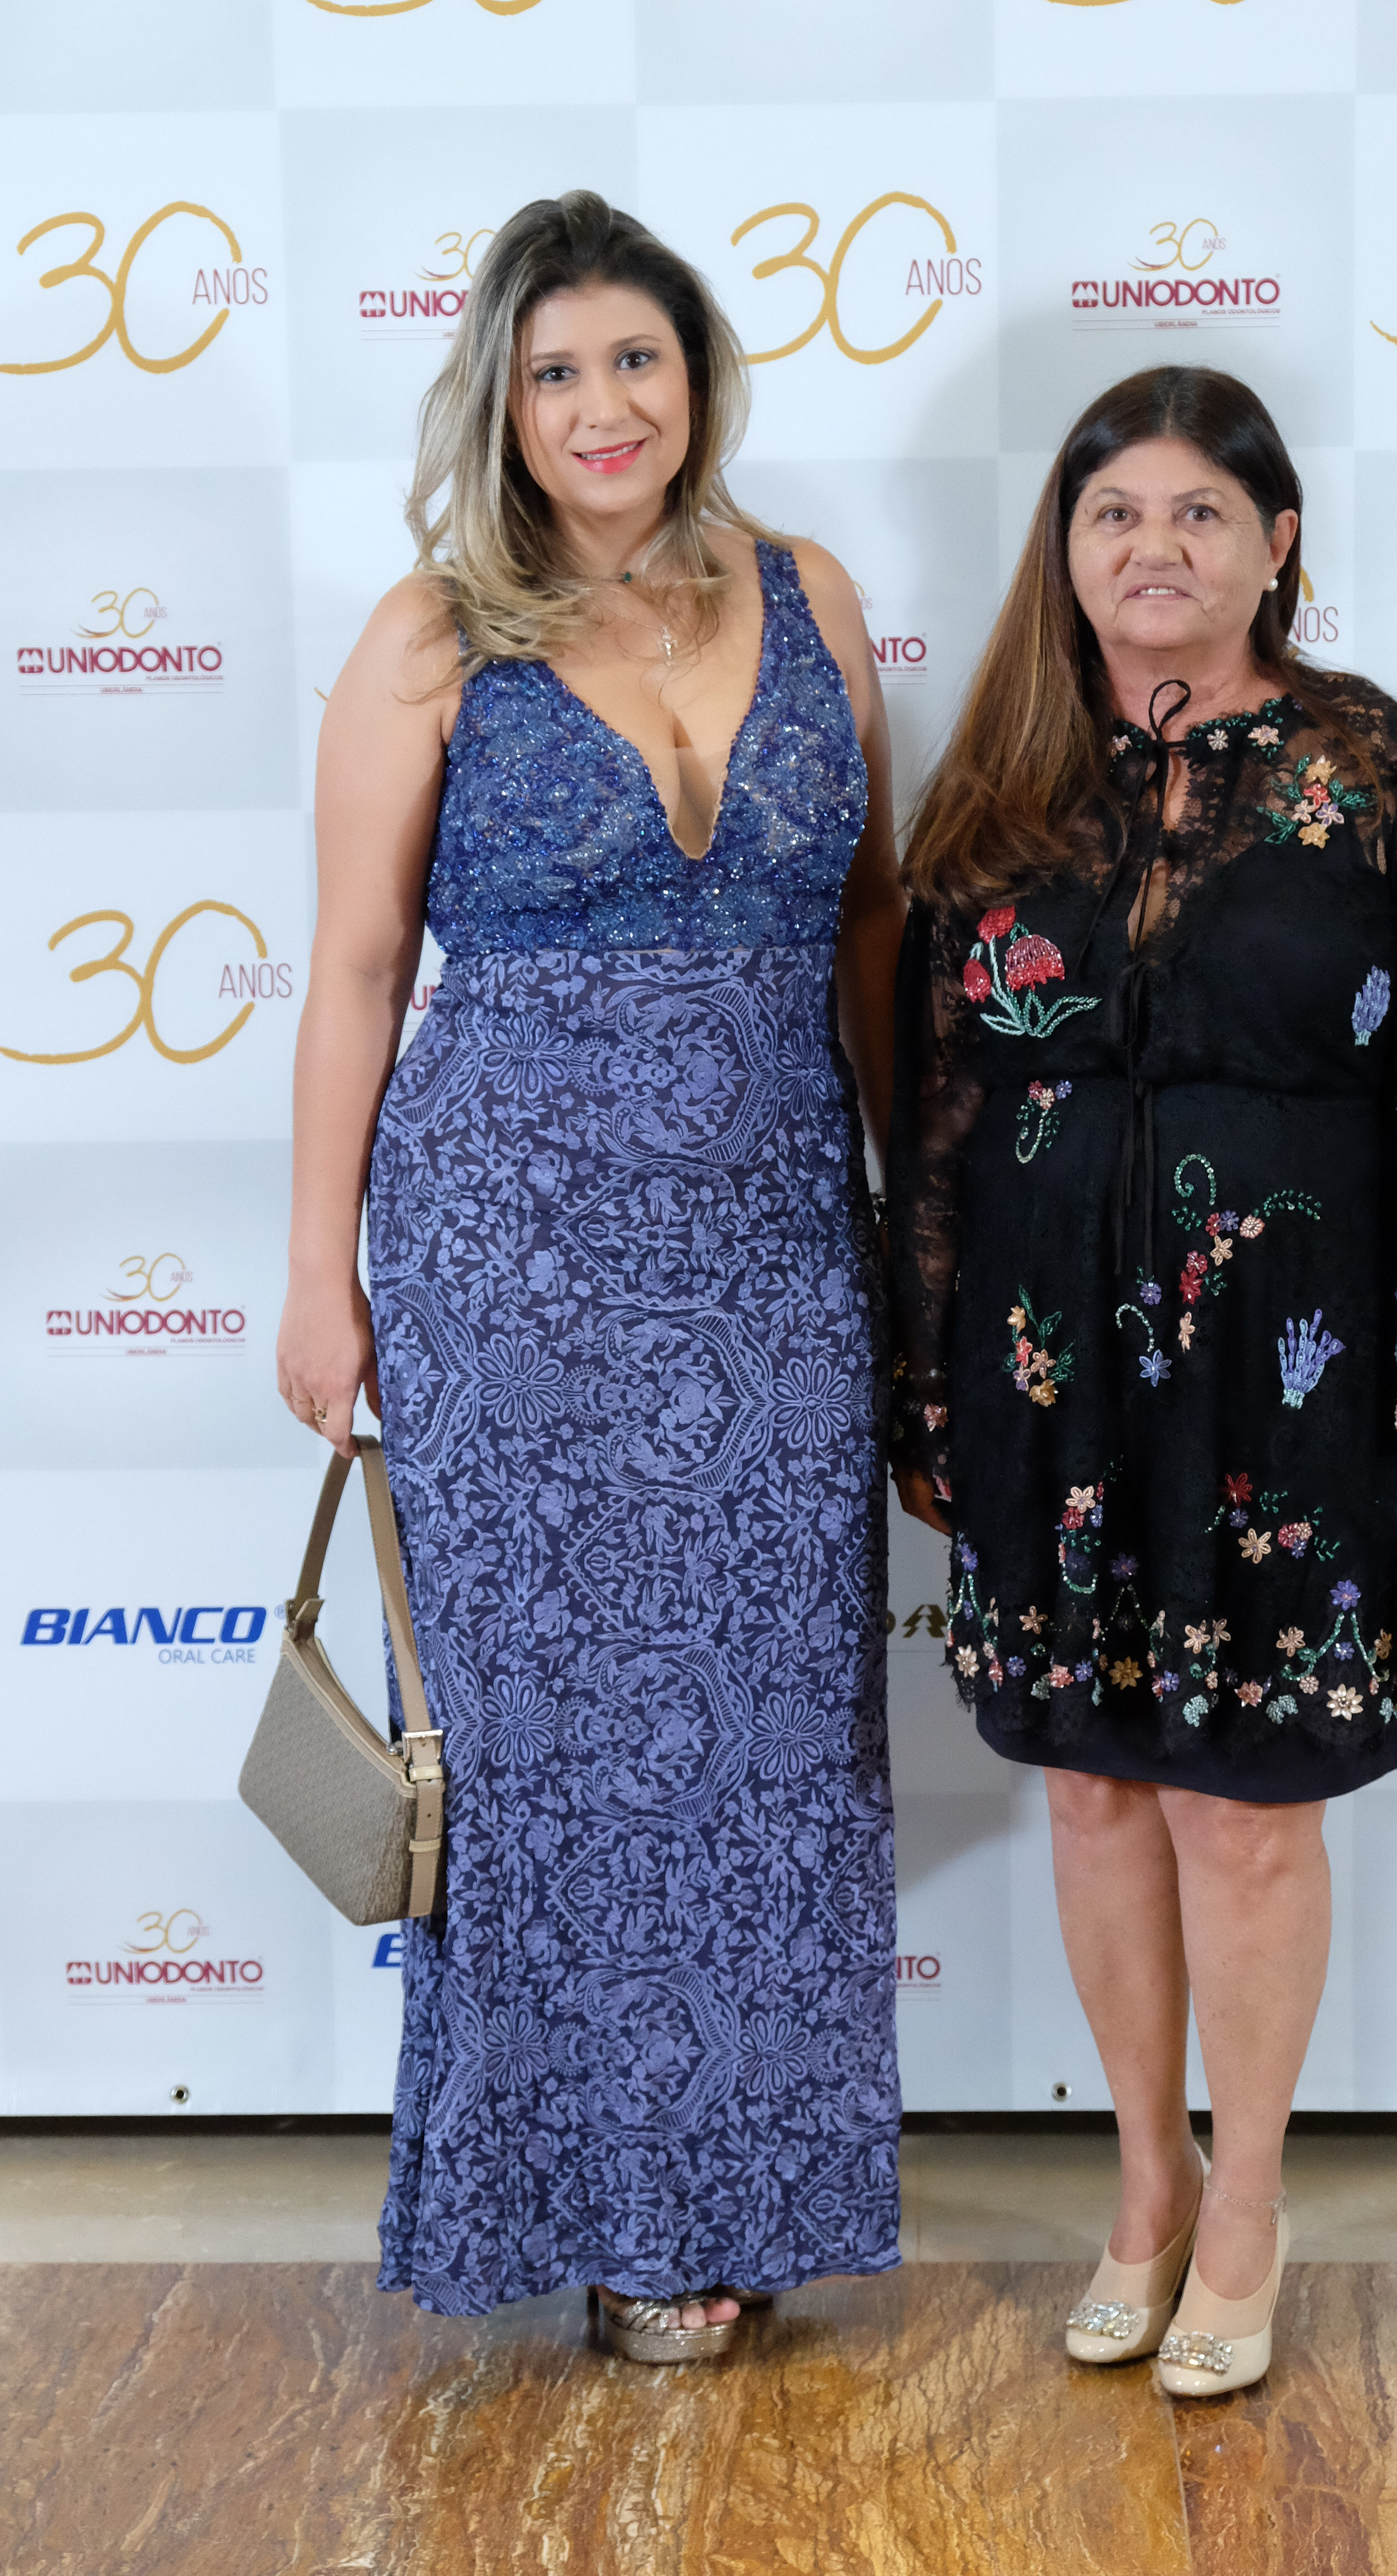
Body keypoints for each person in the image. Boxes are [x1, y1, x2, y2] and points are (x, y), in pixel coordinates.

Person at [887, 366, 1397, 2396]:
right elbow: (933, 1104)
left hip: (1294, 1370)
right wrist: (928, 1374)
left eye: (1199, 511)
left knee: (1250, 1816)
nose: (1155, 547)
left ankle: (1251, 2204)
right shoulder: (1003, 783)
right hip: (1045, 1370)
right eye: (1116, 513)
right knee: (1098, 1789)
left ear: (1277, 543)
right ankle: (1148, 2188)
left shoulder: (1371, 767)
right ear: (1065, 548)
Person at [276, 192, 904, 2356]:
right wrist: (320, 1273)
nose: (603, 405)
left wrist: (916, 1221)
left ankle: (742, 2196)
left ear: (697, 379)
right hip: (509, 1275)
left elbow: (873, 930)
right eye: (556, 372)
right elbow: (360, 966)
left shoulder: (812, 595)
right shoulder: (433, 632)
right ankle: (589, 2214)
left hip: (780, 1260)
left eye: (637, 359)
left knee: (772, 1751)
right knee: (546, 1755)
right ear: (503, 402)